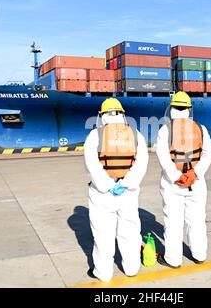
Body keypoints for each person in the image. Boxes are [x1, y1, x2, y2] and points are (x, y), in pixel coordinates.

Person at [83, 97, 149, 282]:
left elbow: (92, 165)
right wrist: (127, 183)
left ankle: (103, 273)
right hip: (127, 192)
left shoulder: (95, 135)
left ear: (102, 116)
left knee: (103, 234)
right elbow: (142, 163)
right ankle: (131, 268)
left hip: (102, 194)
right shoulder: (136, 134)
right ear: (122, 114)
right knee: (130, 230)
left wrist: (108, 185)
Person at [156, 91, 211, 268]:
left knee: (173, 222)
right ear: (189, 110)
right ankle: (199, 255)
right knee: (196, 220)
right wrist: (195, 174)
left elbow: (163, 157)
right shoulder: (200, 128)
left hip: (173, 184)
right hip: (196, 183)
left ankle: (173, 260)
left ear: (172, 109)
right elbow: (208, 153)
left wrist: (177, 177)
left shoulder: (165, 130)